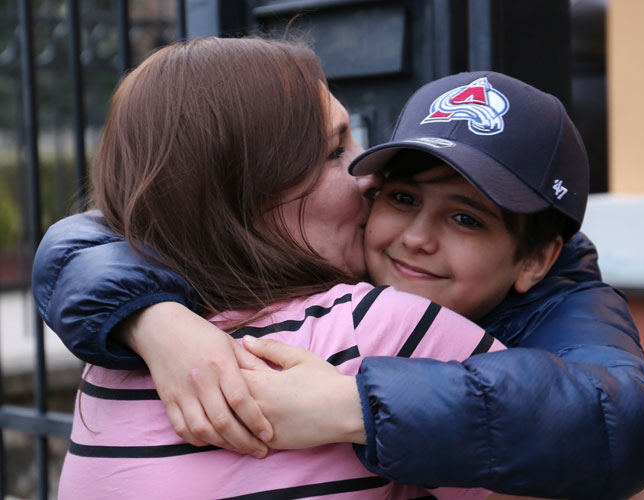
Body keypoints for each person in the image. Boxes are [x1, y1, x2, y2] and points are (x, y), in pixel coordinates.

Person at [33, 54, 644, 498]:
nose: (368, 182)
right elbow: (88, 237)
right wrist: (155, 320)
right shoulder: (168, 320)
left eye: (467, 219)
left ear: (536, 259)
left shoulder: (548, 302)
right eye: (401, 196)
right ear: (249, 193)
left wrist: (354, 405)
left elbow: (625, 426)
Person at [51, 36, 506, 499]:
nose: (372, 177)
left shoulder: (111, 361)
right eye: (335, 153)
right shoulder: (381, 329)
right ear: (243, 196)